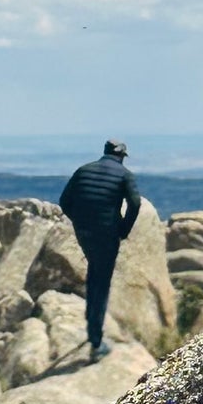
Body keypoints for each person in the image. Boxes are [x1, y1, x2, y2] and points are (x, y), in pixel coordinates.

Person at [58, 138, 142, 359]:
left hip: (85, 233)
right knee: (101, 282)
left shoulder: (83, 170)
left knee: (94, 272)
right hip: (107, 235)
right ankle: (96, 342)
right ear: (122, 156)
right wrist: (123, 228)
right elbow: (135, 203)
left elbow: (65, 201)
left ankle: (91, 321)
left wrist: (80, 221)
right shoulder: (124, 175)